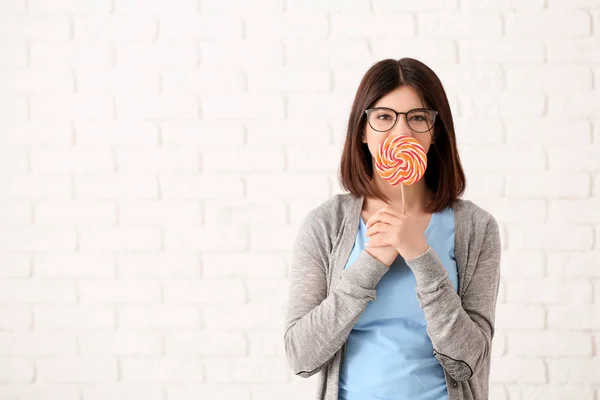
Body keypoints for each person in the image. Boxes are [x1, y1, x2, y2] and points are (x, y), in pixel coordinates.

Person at [283, 58, 502, 400]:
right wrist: (372, 263)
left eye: (417, 117)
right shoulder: (324, 225)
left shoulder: (477, 228)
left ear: (435, 131)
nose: (401, 132)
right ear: (362, 130)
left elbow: (469, 360)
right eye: (384, 117)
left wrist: (421, 256)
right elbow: (301, 357)